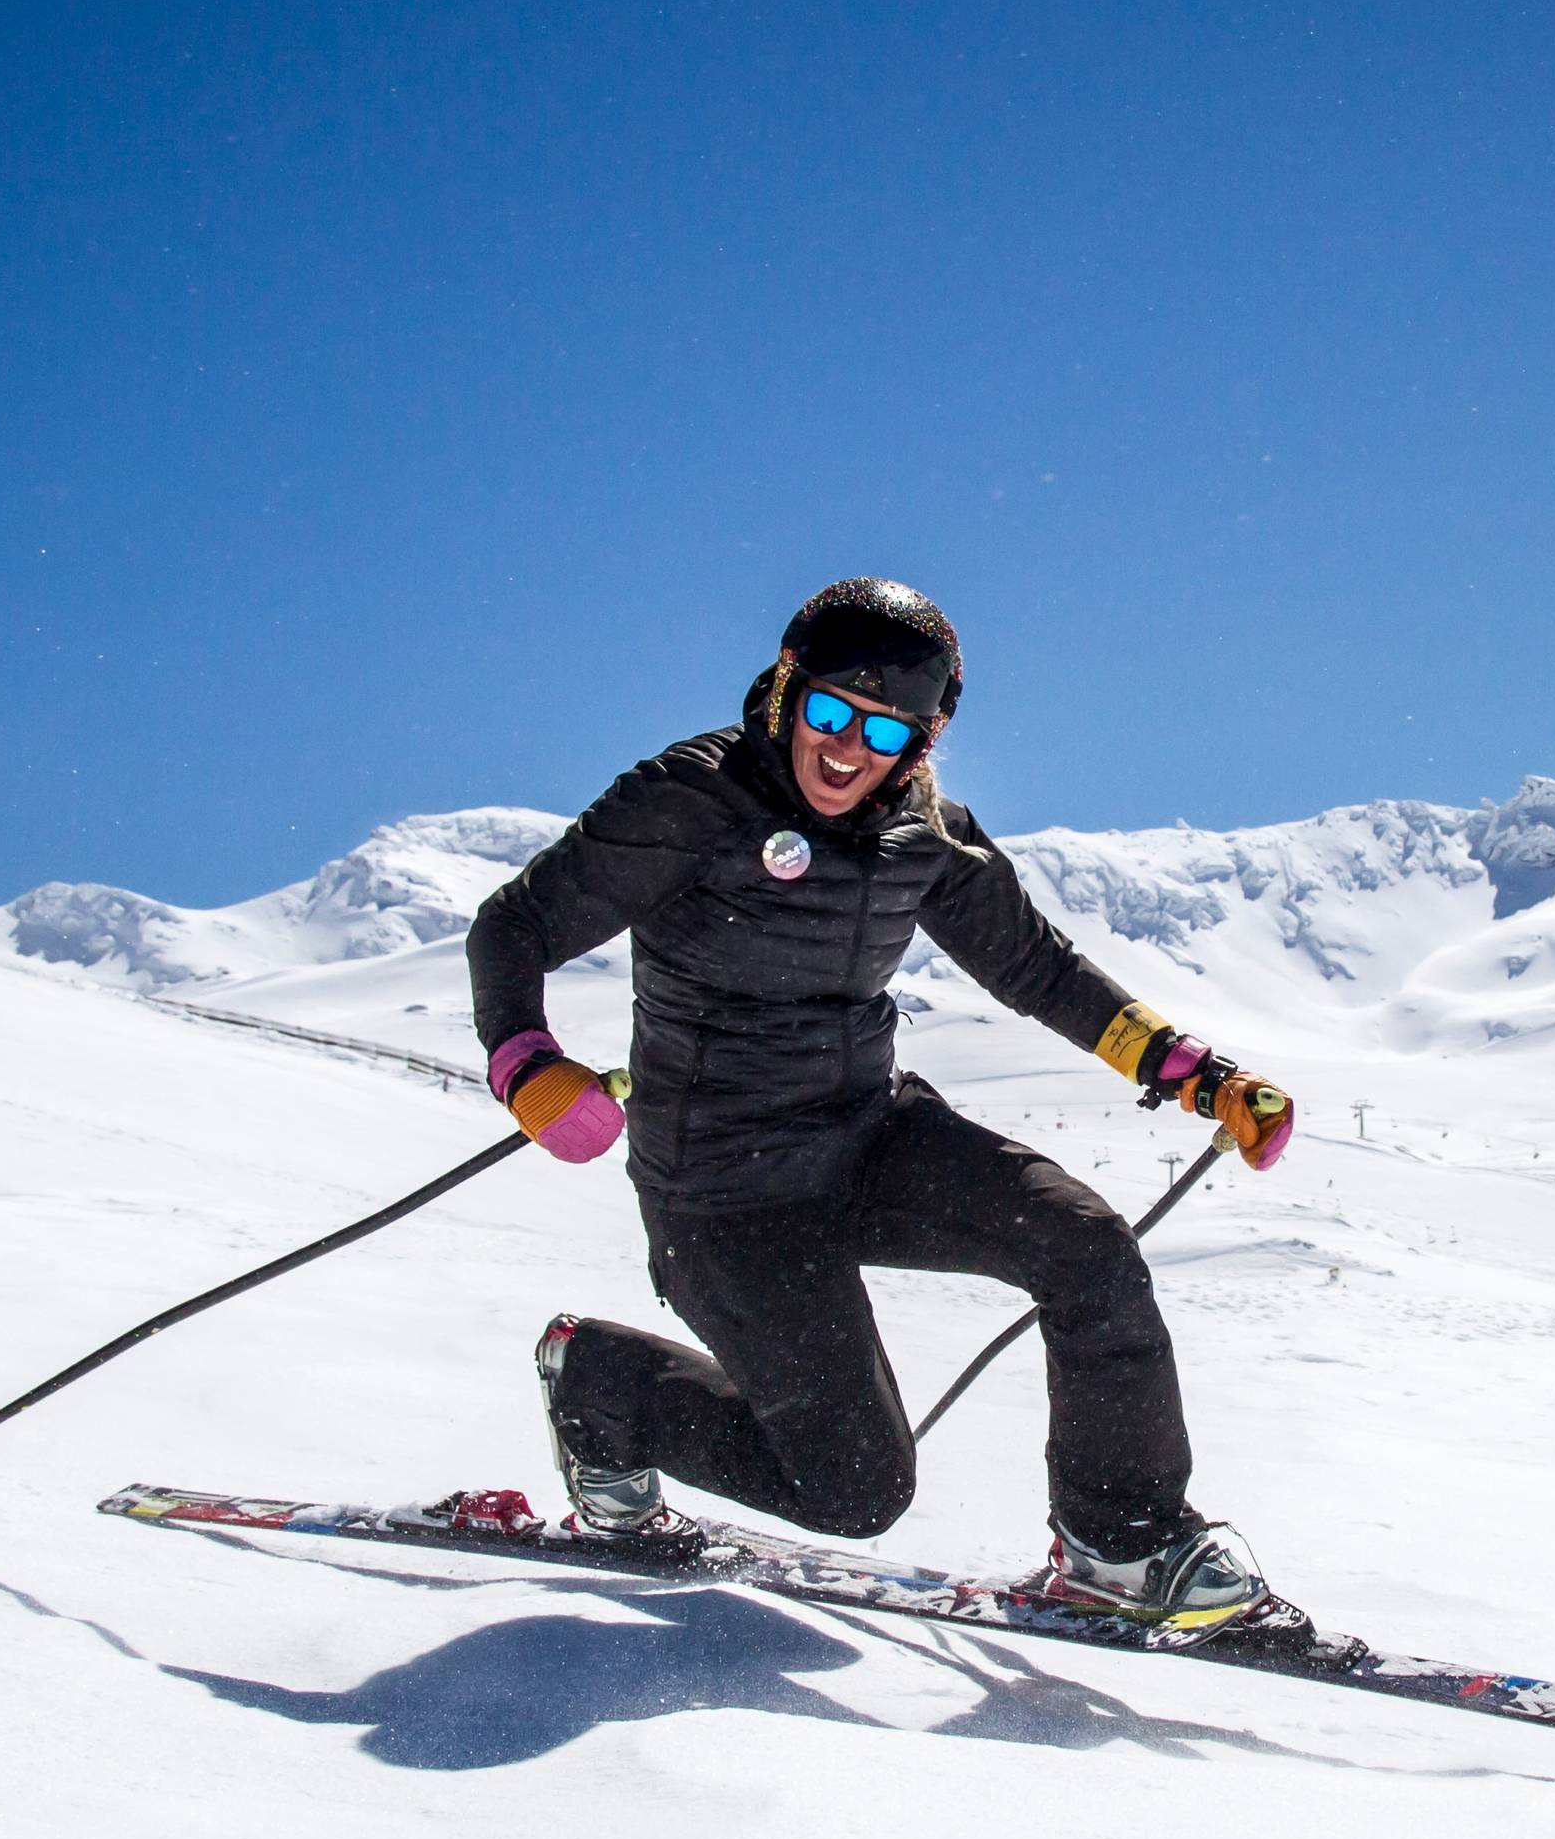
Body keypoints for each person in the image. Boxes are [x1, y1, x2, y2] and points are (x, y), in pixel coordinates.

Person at [467, 578, 1297, 1627]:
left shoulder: (924, 834)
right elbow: (513, 927)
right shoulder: (692, 798)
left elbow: (1035, 967)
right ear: (783, 689)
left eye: (885, 728)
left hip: (865, 1134)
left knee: (1084, 1245)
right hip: (721, 1189)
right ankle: (603, 1384)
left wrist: (1196, 1074)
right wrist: (526, 1062)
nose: (847, 749)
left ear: (925, 737)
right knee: (857, 1492)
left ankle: (1121, 1546)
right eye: (827, 712)